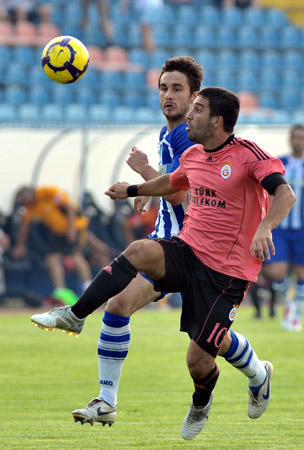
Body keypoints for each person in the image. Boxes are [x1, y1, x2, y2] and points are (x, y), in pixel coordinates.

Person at [31, 79, 294, 437]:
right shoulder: (193, 155)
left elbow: (285, 193)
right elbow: (173, 182)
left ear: (218, 121)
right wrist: (132, 190)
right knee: (138, 251)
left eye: (198, 109)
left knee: (199, 361)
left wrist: (265, 226)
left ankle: (209, 399)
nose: (191, 114)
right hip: (188, 251)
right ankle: (75, 315)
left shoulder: (248, 154)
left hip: (228, 273)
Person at [11, 185, 93, 305]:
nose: (22, 204)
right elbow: (25, 225)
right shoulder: (31, 207)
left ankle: (89, 289)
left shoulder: (48, 193)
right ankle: (60, 292)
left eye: (23, 200)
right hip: (57, 232)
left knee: (76, 256)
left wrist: (71, 230)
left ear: (28, 195)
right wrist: (20, 245)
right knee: (52, 258)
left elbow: (70, 208)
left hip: (75, 226)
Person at [264, 124, 304, 331]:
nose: (297, 140)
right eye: (294, 137)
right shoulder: (280, 163)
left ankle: (297, 311)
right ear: (290, 139)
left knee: (301, 274)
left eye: (301, 137)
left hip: (302, 228)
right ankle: (288, 305)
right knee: (277, 273)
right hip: (281, 226)